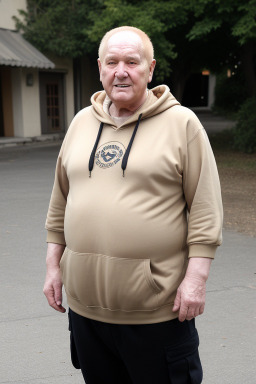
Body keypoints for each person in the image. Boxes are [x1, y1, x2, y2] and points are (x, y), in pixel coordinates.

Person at [43, 26, 223, 384]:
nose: (120, 71)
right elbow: (59, 202)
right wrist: (53, 266)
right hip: (86, 312)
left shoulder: (182, 124)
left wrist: (196, 280)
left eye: (131, 61)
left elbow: (205, 210)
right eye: (112, 62)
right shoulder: (81, 123)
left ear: (150, 68)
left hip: (155, 314)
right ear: (100, 68)